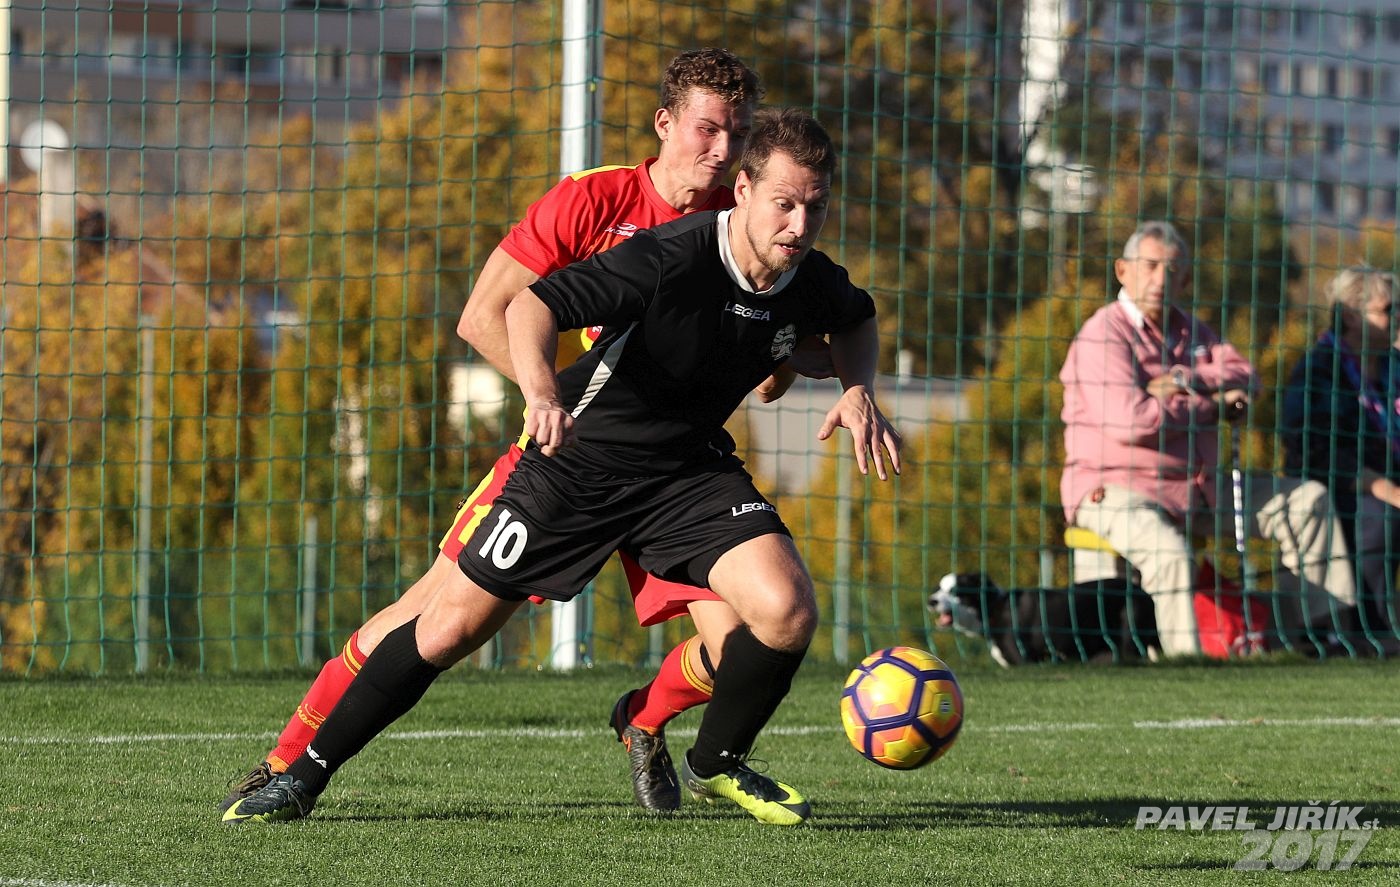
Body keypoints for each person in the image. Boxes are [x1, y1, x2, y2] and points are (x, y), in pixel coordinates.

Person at [223, 106, 900, 827]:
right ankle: (300, 778)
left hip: (686, 473)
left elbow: (856, 317)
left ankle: (716, 761)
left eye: (815, 207)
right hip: (580, 463)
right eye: (784, 203)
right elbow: (530, 306)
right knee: (447, 628)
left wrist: (858, 388)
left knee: (786, 610)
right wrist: (543, 395)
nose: (799, 224)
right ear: (743, 190)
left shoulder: (809, 277)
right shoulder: (671, 256)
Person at [1059, 220, 1357, 657]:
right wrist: (1212, 405)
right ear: (1123, 270)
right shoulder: (1102, 335)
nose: (1161, 279)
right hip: (1118, 489)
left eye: (1172, 269)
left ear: (1185, 278)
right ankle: (1189, 671)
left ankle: (1321, 641)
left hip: (1199, 490)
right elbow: (1133, 421)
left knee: (1307, 502)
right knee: (1170, 555)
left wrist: (1182, 379)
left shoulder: (1191, 331)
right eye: (1150, 266)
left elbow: (1246, 375)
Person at [1281, 266, 1400, 642]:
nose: (1397, 317)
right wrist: (1386, 489)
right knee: (1379, 518)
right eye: (1388, 309)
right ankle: (1370, 631)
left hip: (1389, 480)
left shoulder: (1393, 366)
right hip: (1341, 488)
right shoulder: (1319, 369)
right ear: (1351, 315)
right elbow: (1315, 452)